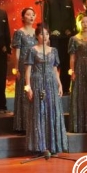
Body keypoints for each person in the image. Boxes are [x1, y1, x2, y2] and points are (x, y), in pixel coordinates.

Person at [24, 23, 68, 155]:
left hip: (51, 83)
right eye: (42, 34)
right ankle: (39, 146)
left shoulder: (53, 50)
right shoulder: (32, 50)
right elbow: (28, 70)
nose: (45, 36)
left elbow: (55, 69)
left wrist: (59, 84)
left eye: (47, 34)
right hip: (37, 83)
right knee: (39, 112)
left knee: (52, 111)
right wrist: (28, 87)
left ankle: (53, 145)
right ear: (37, 36)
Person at [43, 0, 76, 95]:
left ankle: (66, 89)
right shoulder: (48, 0)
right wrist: (51, 32)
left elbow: (72, 18)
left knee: (66, 62)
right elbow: (45, 19)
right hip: (54, 38)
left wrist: (70, 31)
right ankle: (55, 87)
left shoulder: (69, 0)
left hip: (66, 37)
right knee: (55, 63)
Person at [11, 7, 37, 133]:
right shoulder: (19, 33)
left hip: (36, 65)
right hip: (23, 64)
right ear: (23, 17)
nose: (31, 17)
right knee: (24, 92)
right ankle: (23, 123)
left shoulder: (37, 32)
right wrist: (16, 68)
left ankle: (34, 122)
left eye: (33, 14)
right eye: (28, 14)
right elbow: (16, 52)